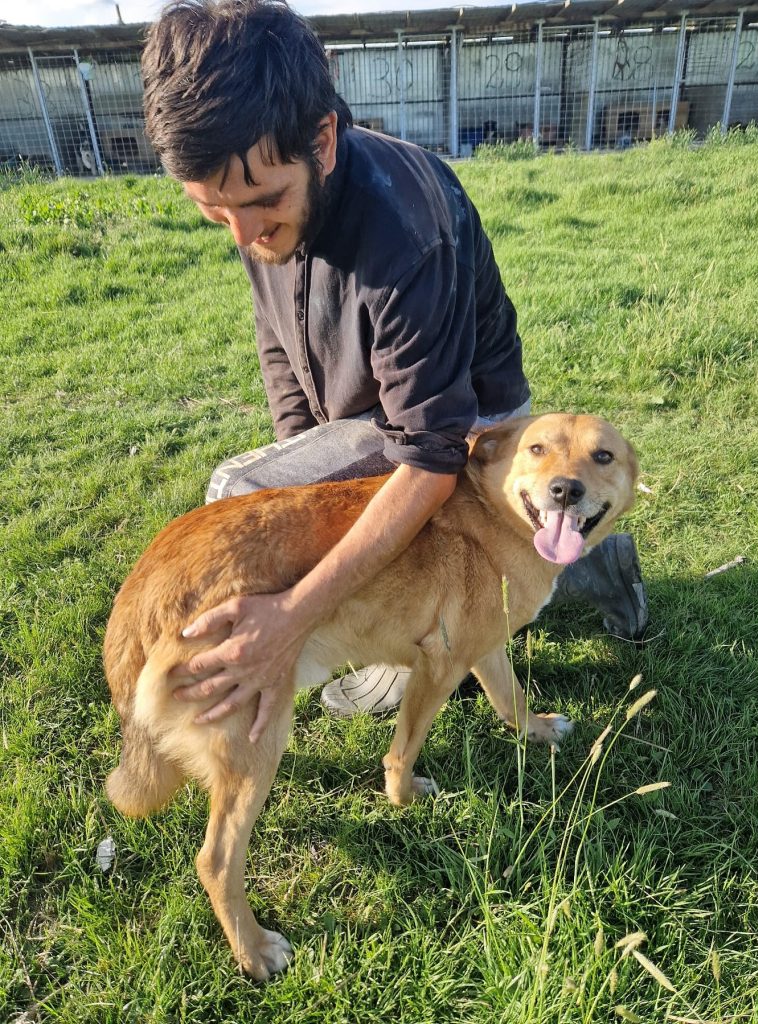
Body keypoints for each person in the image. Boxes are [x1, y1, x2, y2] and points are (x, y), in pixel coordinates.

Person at [141, 0, 647, 741]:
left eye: (261, 204)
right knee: (276, 486)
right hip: (378, 420)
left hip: (468, 422)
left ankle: (561, 547)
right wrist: (306, 477)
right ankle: (575, 545)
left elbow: (433, 455)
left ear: (323, 142)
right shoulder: (259, 188)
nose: (244, 234)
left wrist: (296, 609)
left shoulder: (404, 233)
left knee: (239, 492)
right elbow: (279, 347)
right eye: (214, 210)